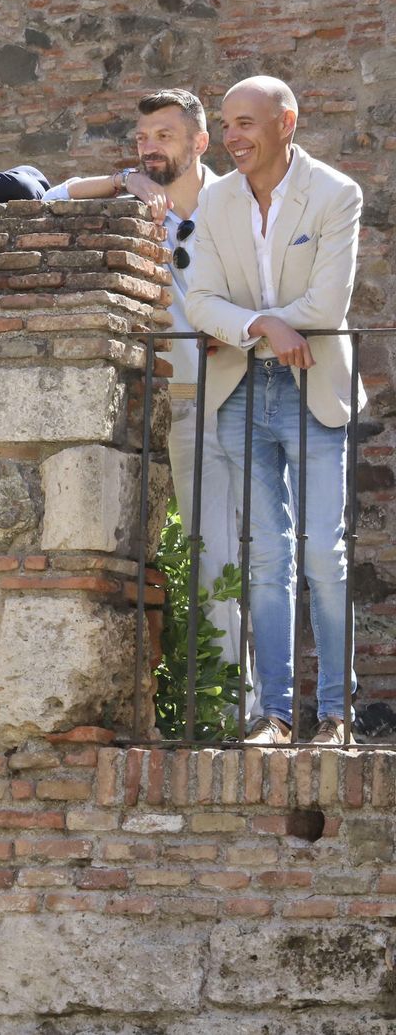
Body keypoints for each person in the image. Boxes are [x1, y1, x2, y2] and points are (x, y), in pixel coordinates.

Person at [42, 89, 253, 720]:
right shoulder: (138, 207)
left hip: (253, 395)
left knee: (270, 550)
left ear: (200, 142)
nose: (150, 147)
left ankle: (281, 708)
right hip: (183, 403)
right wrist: (122, 181)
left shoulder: (240, 202)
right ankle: (228, 714)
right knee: (209, 553)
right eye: (142, 138)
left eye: (164, 135)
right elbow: (50, 201)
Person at [186, 76, 366, 746]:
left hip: (313, 384)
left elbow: (326, 304)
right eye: (226, 124)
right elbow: (199, 300)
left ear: (285, 122)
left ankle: (337, 714)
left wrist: (242, 325)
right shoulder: (215, 201)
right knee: (265, 556)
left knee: (324, 552)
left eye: (245, 123)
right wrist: (262, 324)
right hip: (240, 391)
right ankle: (276, 715)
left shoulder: (336, 193)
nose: (231, 138)